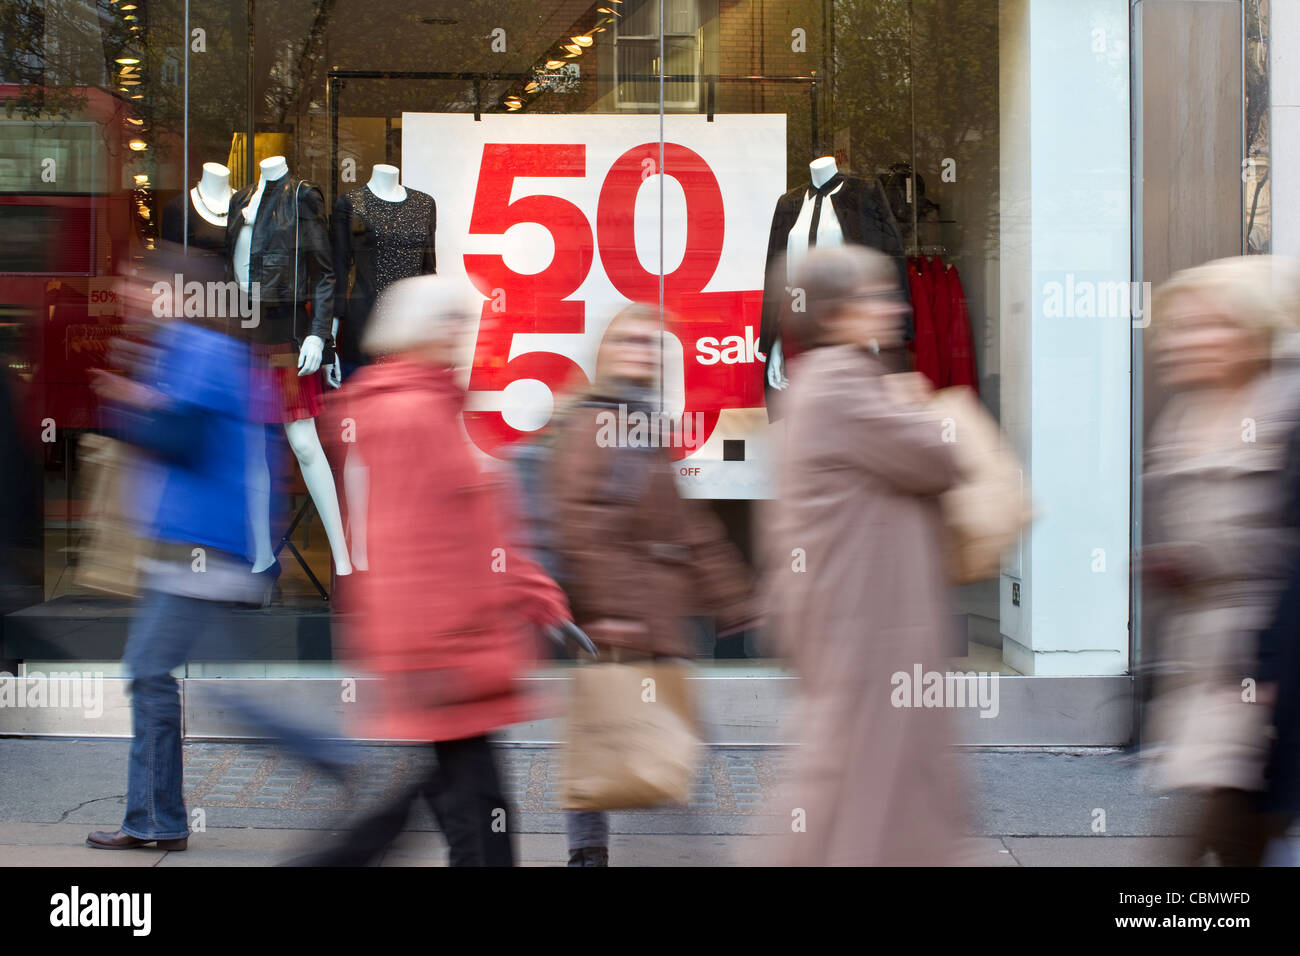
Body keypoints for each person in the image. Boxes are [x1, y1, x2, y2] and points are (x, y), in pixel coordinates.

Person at [301, 275, 570, 867]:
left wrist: (533, 592)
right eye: (448, 320)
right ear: (417, 329)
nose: (461, 333)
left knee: (445, 811)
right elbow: (408, 546)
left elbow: (476, 523)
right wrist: (441, 648)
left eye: (461, 320)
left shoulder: (435, 404)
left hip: (450, 653)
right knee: (477, 822)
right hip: (445, 656)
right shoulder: (411, 414)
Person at [762, 244, 968, 866]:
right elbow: (941, 457)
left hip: (847, 618)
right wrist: (920, 403)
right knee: (867, 787)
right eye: (876, 297)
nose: (894, 307)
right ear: (836, 314)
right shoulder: (847, 386)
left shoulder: (817, 385)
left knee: (856, 779)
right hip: (869, 626)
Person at [548, 303, 757, 866]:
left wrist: (731, 595)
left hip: (651, 612)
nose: (641, 352)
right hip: (622, 617)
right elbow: (579, 524)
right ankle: (591, 854)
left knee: (629, 730)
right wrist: (605, 610)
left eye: (652, 343)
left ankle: (598, 850)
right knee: (607, 729)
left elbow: (684, 523)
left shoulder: (642, 418)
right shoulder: (596, 422)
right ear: (608, 353)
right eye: (630, 342)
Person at [1143, 256, 1300, 865]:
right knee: (1234, 838)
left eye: (1204, 325)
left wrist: (1268, 670)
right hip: (1203, 663)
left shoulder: (1286, 410)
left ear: (1250, 329)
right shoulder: (1186, 414)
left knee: (1206, 843)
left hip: (1264, 660)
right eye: (1177, 327)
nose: (1181, 342)